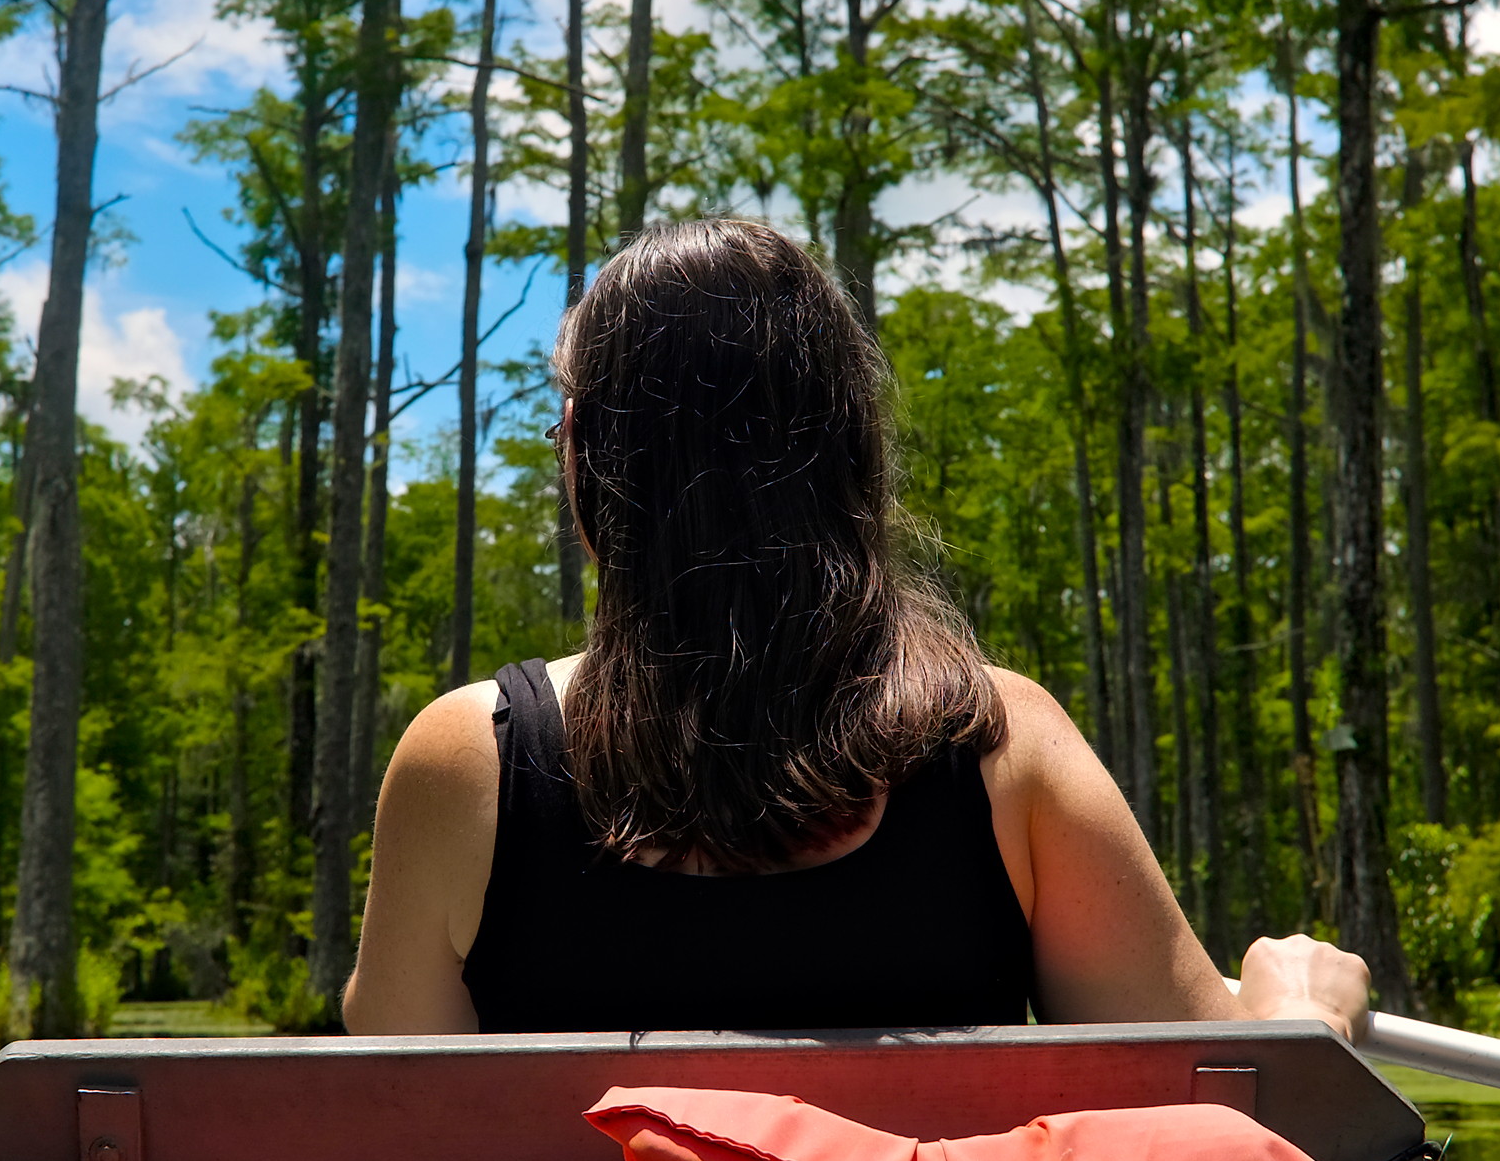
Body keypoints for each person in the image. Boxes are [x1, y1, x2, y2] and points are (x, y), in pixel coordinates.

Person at [342, 218, 1370, 1040]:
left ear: (592, 465)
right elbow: (1231, 1115)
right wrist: (1300, 1015)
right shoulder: (1002, 748)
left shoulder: (464, 763)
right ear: (847, 455)